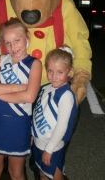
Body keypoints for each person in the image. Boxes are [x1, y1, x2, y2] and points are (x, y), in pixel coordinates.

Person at [0, 18, 42, 180]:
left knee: (17, 173)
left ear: (27, 37)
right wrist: (19, 88)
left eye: (17, 41)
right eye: (7, 43)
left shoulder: (35, 64)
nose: (12, 47)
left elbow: (30, 96)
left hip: (19, 124)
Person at [32, 46, 77, 180]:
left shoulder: (66, 95)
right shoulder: (46, 88)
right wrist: (33, 134)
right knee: (43, 173)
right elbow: (37, 112)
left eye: (60, 72)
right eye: (50, 71)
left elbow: (62, 126)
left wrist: (49, 149)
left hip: (52, 146)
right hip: (39, 142)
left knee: (55, 175)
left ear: (70, 72)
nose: (54, 76)